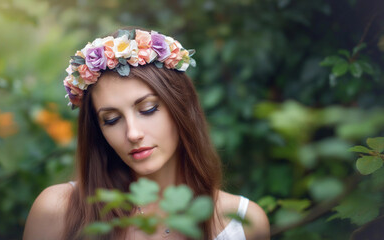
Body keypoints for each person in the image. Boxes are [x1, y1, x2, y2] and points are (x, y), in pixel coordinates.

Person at [23, 28, 270, 240]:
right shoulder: (58, 211)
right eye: (111, 119)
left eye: (148, 109)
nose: (133, 133)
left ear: (180, 108)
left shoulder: (243, 223)